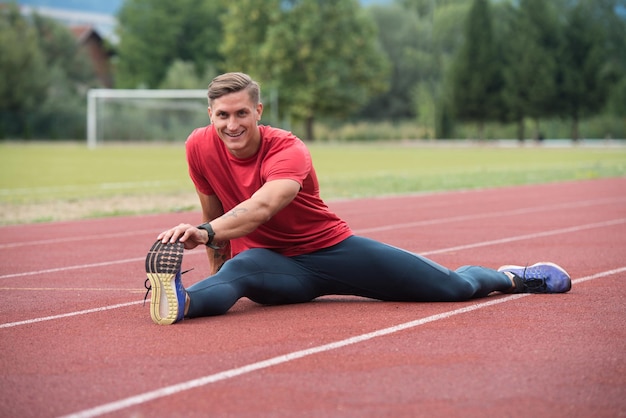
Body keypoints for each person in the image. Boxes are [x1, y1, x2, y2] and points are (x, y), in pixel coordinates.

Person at [144, 72, 571, 326]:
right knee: (237, 274)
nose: (232, 124)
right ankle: (183, 301)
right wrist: (212, 244)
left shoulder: (288, 148)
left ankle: (514, 277)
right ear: (210, 116)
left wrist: (204, 232)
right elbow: (214, 215)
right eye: (223, 115)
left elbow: (262, 207)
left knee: (453, 287)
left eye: (241, 113)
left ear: (258, 112)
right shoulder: (198, 146)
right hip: (272, 263)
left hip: (331, 249)